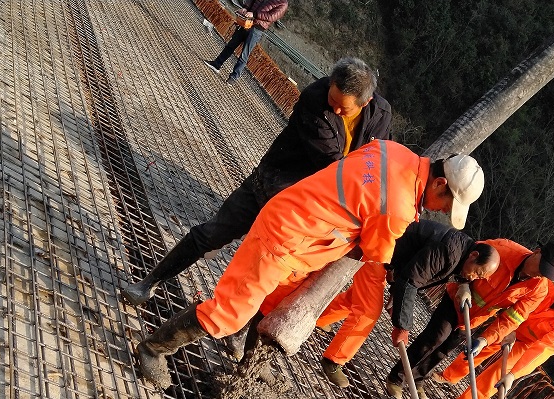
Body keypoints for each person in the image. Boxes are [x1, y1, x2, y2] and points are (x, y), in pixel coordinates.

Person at [133, 142, 485, 387]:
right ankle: (153, 348)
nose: (441, 211)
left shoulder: (394, 151)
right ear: (440, 183)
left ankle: (249, 362)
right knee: (230, 313)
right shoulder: (398, 207)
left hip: (305, 233)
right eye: (445, 204)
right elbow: (376, 252)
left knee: (272, 304)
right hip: (286, 236)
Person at [121, 58, 391, 306]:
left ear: (365, 102)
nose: (335, 108)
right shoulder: (314, 99)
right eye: (333, 100)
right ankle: (150, 281)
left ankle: (235, 327)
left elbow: (376, 160)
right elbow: (331, 164)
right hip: (274, 182)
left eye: (344, 108)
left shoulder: (381, 114)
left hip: (307, 208)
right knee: (214, 233)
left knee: (271, 272)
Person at [315, 220, 500, 388]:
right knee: (368, 310)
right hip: (380, 247)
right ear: (473, 255)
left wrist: (396, 292)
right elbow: (411, 281)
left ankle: (318, 318)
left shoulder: (459, 254)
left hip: (390, 255)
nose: (473, 278)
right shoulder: (448, 252)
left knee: (358, 298)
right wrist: (403, 326)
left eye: (479, 278)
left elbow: (413, 272)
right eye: (477, 273)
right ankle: (333, 360)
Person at [385, 239, 554, 399]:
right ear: (537, 252)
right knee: (435, 338)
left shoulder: (539, 289)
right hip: (456, 299)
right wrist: (463, 284)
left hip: (475, 318)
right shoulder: (504, 250)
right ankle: (397, 377)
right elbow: (468, 254)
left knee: (444, 349)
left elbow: (511, 319)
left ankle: (418, 378)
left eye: (545, 274)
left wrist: (485, 340)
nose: (539, 274)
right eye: (541, 267)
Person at [445, 278, 554, 399]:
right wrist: (511, 326)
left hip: (527, 343)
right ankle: (449, 375)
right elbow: (520, 296)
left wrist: (513, 375)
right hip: (514, 321)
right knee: (482, 345)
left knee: (500, 372)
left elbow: (542, 350)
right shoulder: (549, 283)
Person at [205, 0, 289, 84]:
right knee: (231, 45)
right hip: (246, 22)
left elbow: (271, 17)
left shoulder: (283, 3)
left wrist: (254, 14)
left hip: (257, 29)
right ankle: (216, 64)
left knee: (244, 54)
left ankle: (233, 77)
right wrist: (246, 8)